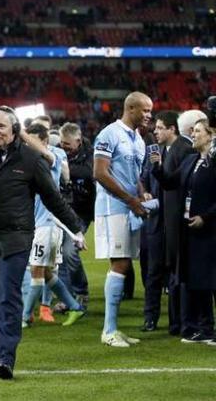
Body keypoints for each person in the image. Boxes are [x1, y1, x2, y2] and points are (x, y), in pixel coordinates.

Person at [0, 107, 85, 379]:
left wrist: (76, 229)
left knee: (8, 296)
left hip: (15, 238)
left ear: (14, 130)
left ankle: (6, 358)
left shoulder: (30, 158)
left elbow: (52, 197)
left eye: (1, 126)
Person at [93, 92, 153, 347]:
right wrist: (131, 200)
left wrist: (141, 194)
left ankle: (114, 328)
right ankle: (108, 330)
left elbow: (135, 175)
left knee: (125, 264)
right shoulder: (109, 134)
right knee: (119, 264)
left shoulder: (138, 139)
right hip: (112, 207)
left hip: (128, 207)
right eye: (146, 110)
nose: (149, 115)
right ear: (131, 108)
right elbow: (100, 173)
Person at [153, 118, 216, 343]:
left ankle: (209, 328)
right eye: (194, 130)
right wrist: (157, 168)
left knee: (211, 281)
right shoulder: (191, 160)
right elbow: (171, 183)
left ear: (210, 135)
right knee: (197, 280)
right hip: (189, 229)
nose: (194, 134)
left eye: (198, 131)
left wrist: (206, 217)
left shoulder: (214, 162)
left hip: (210, 229)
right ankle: (204, 328)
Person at [20, 124, 86, 328]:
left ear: (44, 141)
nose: (28, 144)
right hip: (38, 223)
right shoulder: (30, 158)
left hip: (47, 224)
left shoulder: (55, 155)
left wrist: (19, 130)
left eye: (32, 140)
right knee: (46, 272)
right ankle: (75, 306)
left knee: (36, 270)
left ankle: (24, 317)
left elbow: (47, 157)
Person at [139, 111, 178, 332]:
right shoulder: (152, 151)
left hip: (171, 220)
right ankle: (150, 318)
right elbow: (143, 178)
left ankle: (175, 319)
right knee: (153, 271)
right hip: (154, 220)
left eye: (160, 127)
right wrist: (144, 193)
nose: (155, 130)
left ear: (172, 128)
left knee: (173, 271)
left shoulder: (181, 151)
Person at [58, 122, 92, 307]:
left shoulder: (90, 154)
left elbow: (89, 172)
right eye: (62, 143)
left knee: (70, 251)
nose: (63, 147)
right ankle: (67, 298)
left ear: (78, 141)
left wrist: (65, 169)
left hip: (83, 211)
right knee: (61, 253)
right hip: (63, 209)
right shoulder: (59, 151)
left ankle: (81, 291)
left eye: (67, 144)